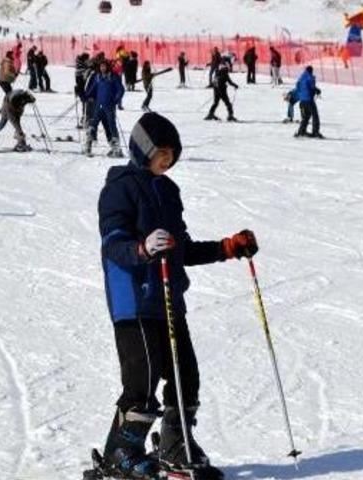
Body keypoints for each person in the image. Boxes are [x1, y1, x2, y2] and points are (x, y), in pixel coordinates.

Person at [95, 111, 257, 480]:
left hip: (169, 298)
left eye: (172, 155)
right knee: (143, 379)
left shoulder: (168, 191)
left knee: (186, 375)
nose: (166, 161)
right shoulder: (119, 188)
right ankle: (121, 452)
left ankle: (175, 443)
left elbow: (181, 249)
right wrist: (141, 249)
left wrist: (228, 248)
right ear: (142, 150)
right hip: (133, 301)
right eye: (161, 153)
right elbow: (113, 243)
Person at [82, 60, 125, 157]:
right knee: (92, 125)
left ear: (108, 67)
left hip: (109, 106)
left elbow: (121, 90)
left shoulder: (113, 77)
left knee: (111, 126)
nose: (102, 68)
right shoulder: (98, 77)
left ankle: (116, 149)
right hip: (99, 106)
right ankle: (88, 147)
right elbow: (92, 89)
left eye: (104, 66)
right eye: (101, 66)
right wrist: (84, 96)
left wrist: (116, 100)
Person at [294, 66, 323, 138]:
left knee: (306, 116)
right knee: (315, 116)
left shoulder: (301, 77)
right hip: (309, 100)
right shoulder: (310, 77)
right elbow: (312, 87)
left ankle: (301, 131)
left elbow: (298, 87)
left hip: (302, 101)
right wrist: (317, 90)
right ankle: (315, 132)